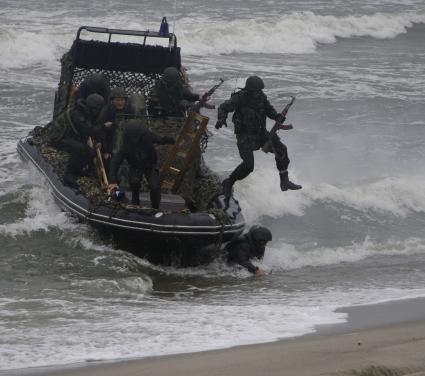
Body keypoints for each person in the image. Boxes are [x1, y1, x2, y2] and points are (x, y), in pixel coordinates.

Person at [215, 76, 301, 199]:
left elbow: (269, 110)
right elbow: (223, 107)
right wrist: (221, 119)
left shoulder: (261, 97)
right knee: (248, 166)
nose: (259, 93)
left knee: (282, 150)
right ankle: (229, 182)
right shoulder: (239, 97)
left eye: (260, 90)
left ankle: (284, 181)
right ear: (249, 89)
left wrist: (277, 117)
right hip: (244, 135)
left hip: (260, 133)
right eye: (256, 90)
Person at [107, 119, 175, 209]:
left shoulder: (147, 135)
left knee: (155, 187)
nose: (134, 139)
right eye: (132, 137)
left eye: (136, 137)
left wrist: (173, 140)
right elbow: (115, 161)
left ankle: (155, 208)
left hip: (150, 164)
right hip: (135, 166)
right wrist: (112, 180)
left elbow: (160, 139)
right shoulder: (125, 145)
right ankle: (135, 203)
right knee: (134, 182)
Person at [44, 94, 106, 187]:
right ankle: (68, 175)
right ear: (93, 108)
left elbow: (91, 128)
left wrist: (99, 139)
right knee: (80, 149)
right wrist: (103, 127)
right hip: (58, 137)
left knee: (90, 152)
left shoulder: (85, 112)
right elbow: (87, 129)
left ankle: (78, 170)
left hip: (69, 135)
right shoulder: (78, 114)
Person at [98, 86, 132, 159]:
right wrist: (105, 150)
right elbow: (99, 130)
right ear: (112, 100)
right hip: (110, 142)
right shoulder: (106, 111)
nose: (120, 103)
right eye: (117, 100)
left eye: (122, 100)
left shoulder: (129, 110)